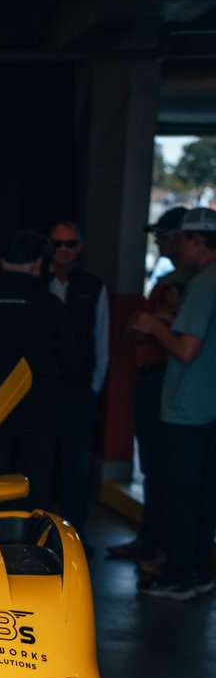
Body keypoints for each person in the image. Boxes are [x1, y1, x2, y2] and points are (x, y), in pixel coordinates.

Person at [130, 207, 216, 600]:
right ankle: (197, 570)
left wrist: (155, 326)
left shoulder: (202, 284)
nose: (175, 247)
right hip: (207, 407)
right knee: (201, 495)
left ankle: (180, 575)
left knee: (182, 494)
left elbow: (185, 349)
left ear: (197, 240)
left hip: (187, 408)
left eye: (180, 239)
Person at [0, 229, 79, 510]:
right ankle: (37, 549)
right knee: (38, 484)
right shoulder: (50, 304)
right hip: (39, 408)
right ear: (36, 266)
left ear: (2, 262)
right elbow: (72, 360)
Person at [109, 206, 191, 565]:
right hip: (147, 381)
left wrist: (160, 323)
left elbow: (180, 336)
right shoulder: (164, 282)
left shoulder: (192, 284)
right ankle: (150, 538)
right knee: (153, 469)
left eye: (163, 234)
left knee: (169, 470)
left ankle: (166, 548)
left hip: (169, 384)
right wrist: (157, 322)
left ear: (183, 238)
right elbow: (132, 329)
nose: (157, 241)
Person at [48, 220, 110, 549]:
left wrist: (93, 388)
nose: (63, 250)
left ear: (80, 247)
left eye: (70, 243)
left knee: (75, 463)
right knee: (42, 462)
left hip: (78, 391)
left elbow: (101, 339)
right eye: (57, 243)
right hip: (43, 391)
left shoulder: (93, 287)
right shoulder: (38, 283)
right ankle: (40, 534)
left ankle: (75, 534)